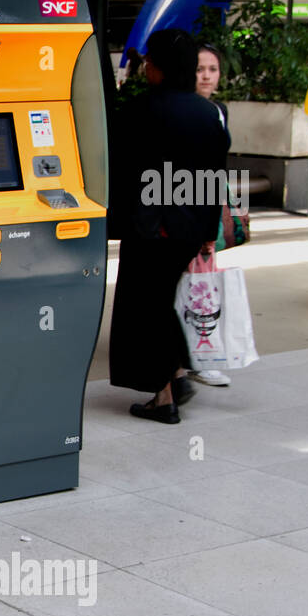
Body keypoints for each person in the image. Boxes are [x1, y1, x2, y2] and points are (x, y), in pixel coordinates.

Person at [109, 29, 230, 423]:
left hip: (153, 227)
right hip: (189, 228)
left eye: (151, 62)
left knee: (149, 306)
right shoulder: (207, 113)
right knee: (161, 299)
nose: (147, 68)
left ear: (159, 67)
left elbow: (124, 172)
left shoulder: (141, 109)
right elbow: (215, 177)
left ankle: (164, 398)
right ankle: (177, 375)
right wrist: (209, 231)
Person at [188, 41, 233, 388]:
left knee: (204, 279)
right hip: (188, 206)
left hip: (209, 204)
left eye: (212, 69)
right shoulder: (185, 112)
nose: (206, 76)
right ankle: (196, 357)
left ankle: (201, 354)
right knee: (194, 280)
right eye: (201, 69)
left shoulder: (219, 111)